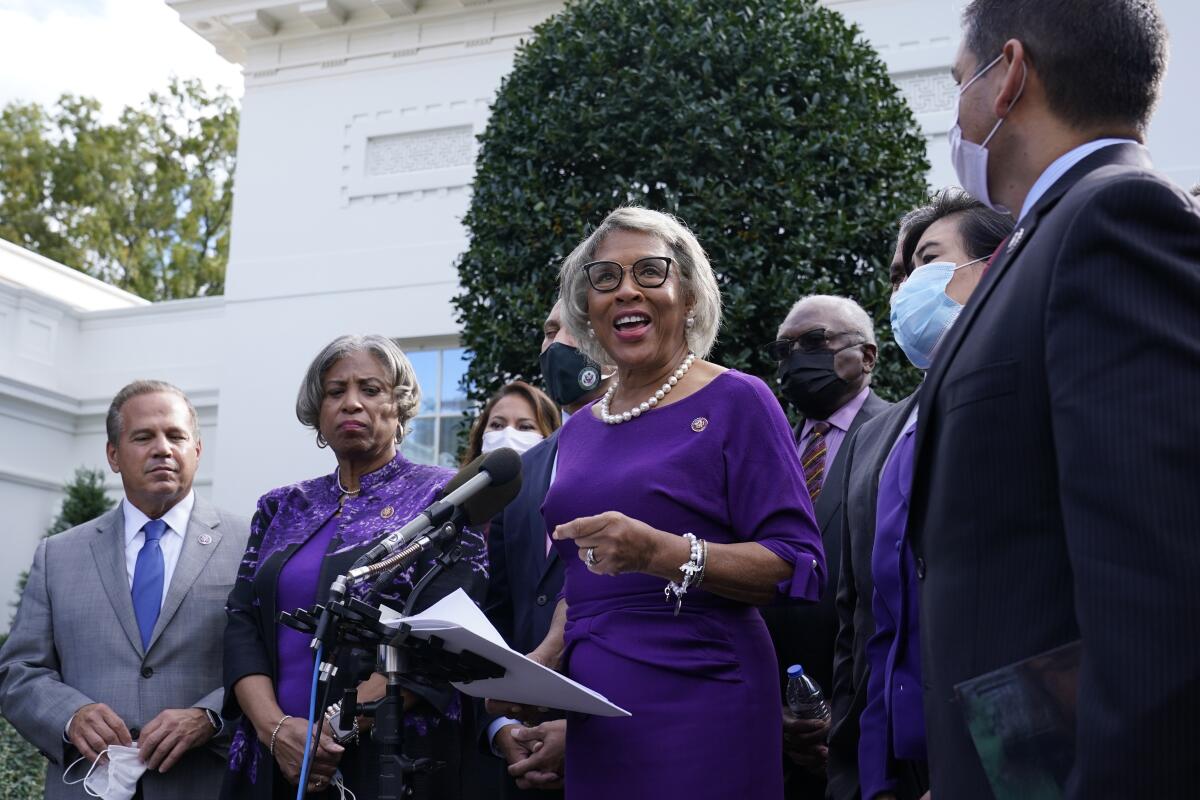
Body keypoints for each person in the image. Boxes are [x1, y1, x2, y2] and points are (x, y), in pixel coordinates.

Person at [912, 3, 1200, 797]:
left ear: (1006, 75)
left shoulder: (1115, 219)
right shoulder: (1041, 239)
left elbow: (1157, 586)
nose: (957, 113)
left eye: (957, 80)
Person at [489, 207, 826, 798]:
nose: (625, 290)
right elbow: (582, 574)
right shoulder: (580, 429)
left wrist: (662, 552)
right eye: (605, 279)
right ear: (587, 310)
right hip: (599, 711)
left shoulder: (739, 400)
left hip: (707, 692)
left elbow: (798, 563)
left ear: (688, 294)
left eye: (650, 271)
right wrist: (542, 659)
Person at [220, 335, 488, 800]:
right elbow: (242, 621)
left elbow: (443, 635)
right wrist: (275, 728)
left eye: (370, 389)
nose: (351, 403)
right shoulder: (280, 506)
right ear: (317, 413)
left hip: (388, 755)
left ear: (399, 406)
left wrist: (332, 731)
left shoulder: (443, 498)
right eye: (335, 391)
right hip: (270, 755)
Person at [0, 380, 250, 799]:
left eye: (176, 436)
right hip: (86, 787)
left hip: (206, 784)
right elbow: (18, 672)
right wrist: (70, 715)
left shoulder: (251, 545)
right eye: (143, 437)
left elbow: (277, 664)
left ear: (197, 451)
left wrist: (210, 717)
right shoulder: (58, 555)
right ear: (113, 455)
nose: (162, 448)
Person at [853, 190, 1011, 800]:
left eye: (927, 260)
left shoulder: (1032, 392)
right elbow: (868, 615)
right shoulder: (895, 433)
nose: (906, 289)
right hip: (899, 758)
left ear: (992, 265)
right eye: (899, 274)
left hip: (997, 756)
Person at [759, 295, 890, 798]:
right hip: (774, 734)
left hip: (868, 730)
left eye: (814, 342)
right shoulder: (770, 449)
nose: (796, 358)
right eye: (783, 349)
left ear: (867, 356)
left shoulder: (902, 434)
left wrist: (849, 715)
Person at [480, 299, 612, 798]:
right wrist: (499, 730)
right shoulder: (522, 473)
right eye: (547, 330)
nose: (553, 344)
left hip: (630, 741)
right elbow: (498, 615)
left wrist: (583, 732)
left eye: (569, 329)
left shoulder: (661, 448)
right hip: (522, 753)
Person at [461, 381, 561, 466]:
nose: (507, 434)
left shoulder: (566, 489)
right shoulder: (458, 488)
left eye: (525, 427)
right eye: (497, 425)